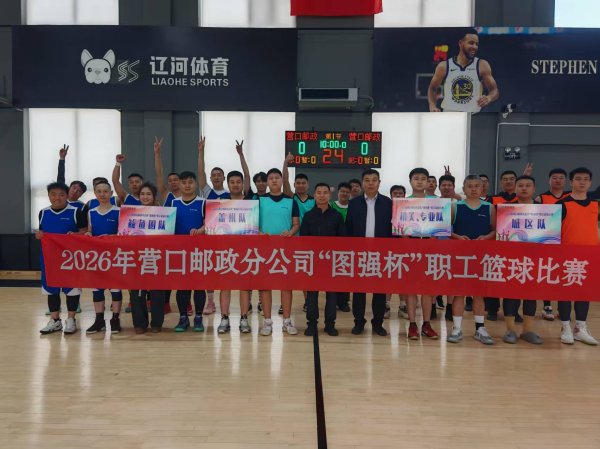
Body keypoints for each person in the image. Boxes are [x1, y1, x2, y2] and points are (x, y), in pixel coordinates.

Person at [447, 175, 495, 345]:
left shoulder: (489, 207)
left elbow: (495, 231)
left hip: (482, 257)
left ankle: (480, 328)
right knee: (459, 293)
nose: (473, 189)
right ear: (464, 188)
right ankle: (456, 328)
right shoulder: (455, 206)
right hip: (460, 256)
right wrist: (457, 237)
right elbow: (445, 230)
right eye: (470, 186)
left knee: (479, 293)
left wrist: (486, 237)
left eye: (477, 186)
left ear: (483, 188)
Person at [346, 169, 391, 336]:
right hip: (359, 253)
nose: (370, 183)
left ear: (379, 182)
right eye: (367, 180)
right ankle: (359, 322)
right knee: (359, 291)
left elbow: (392, 229)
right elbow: (349, 228)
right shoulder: (354, 203)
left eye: (374, 180)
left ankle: (378, 323)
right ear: (362, 183)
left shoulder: (388, 203)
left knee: (379, 291)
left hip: (381, 253)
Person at [37, 182, 87, 335]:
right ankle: (55, 320)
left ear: (66, 196)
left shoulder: (76, 212)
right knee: (51, 289)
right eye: (53, 194)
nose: (57, 198)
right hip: (50, 259)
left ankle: (71, 319)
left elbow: (85, 231)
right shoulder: (43, 212)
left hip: (70, 259)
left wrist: (76, 235)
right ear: (48, 196)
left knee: (72, 289)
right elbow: (41, 232)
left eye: (61, 194)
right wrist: (39, 235)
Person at [557, 167, 598, 345]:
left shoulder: (596, 205)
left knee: (584, 292)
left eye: (585, 179)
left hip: (589, 256)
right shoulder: (562, 205)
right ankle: (565, 327)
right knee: (565, 292)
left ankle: (580, 328)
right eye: (578, 179)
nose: (582, 182)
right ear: (571, 182)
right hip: (566, 255)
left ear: (590, 183)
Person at [217, 141, 254, 335]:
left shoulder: (249, 200)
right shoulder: (221, 202)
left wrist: (241, 155)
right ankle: (224, 318)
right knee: (225, 286)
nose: (236, 184)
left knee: (244, 287)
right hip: (225, 249)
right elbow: (212, 224)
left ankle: (244, 318)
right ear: (228, 184)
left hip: (246, 249)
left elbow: (247, 175)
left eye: (238, 182)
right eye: (232, 182)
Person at [258, 168, 300, 336]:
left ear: (282, 180)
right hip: (264, 249)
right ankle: (267, 322)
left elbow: (296, 224)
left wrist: (291, 232)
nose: (274, 180)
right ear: (267, 182)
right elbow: (252, 223)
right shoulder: (259, 200)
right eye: (271, 178)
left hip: (285, 249)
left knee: (286, 286)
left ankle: (286, 321)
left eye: (277, 177)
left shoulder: (291, 201)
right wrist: (259, 233)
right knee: (265, 286)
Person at [501, 175, 543, 345]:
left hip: (535, 258)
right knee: (511, 294)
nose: (524, 188)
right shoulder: (506, 209)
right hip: (511, 258)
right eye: (520, 185)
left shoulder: (544, 210)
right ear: (515, 188)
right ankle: (510, 330)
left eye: (528, 185)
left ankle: (528, 330)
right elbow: (501, 233)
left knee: (531, 295)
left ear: (534, 189)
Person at [300, 183, 346, 336]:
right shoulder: (308, 216)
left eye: (325, 192)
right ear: (314, 195)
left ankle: (330, 324)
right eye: (318, 192)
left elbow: (342, 240)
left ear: (330, 195)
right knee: (312, 295)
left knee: (332, 295)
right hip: (313, 262)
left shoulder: (337, 216)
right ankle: (311, 324)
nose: (321, 195)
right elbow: (303, 239)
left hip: (331, 262)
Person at [428, 28, 499, 113]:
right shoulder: (444, 66)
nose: (475, 47)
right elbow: (432, 88)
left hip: (472, 116)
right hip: (449, 115)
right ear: (460, 43)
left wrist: (489, 98)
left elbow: (494, 90)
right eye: (471, 43)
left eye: (476, 44)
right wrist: (432, 105)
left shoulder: (482, 65)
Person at [84, 181, 123, 334]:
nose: (102, 194)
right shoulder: (91, 212)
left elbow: (123, 234)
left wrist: (112, 237)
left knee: (115, 289)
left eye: (105, 191)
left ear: (111, 193)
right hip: (97, 258)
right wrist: (88, 234)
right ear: (95, 193)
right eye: (99, 191)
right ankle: (99, 320)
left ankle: (115, 319)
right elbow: (90, 230)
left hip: (115, 257)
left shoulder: (119, 211)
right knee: (97, 290)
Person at [404, 168, 439, 340]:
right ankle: (412, 324)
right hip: (410, 248)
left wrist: (431, 241)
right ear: (410, 181)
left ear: (428, 182)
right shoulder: (403, 202)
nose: (419, 181)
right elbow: (400, 228)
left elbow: (440, 226)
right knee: (411, 289)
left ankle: (426, 324)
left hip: (429, 248)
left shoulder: (436, 202)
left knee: (427, 289)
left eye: (423, 178)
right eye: (416, 178)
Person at [128, 182, 167, 334]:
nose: (145, 197)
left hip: (157, 256)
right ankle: (139, 323)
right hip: (136, 256)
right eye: (142, 194)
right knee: (136, 291)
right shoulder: (131, 213)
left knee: (157, 291)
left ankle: (157, 323)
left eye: (148, 194)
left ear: (154, 196)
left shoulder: (163, 213)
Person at [171, 171, 207, 332]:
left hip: (199, 252)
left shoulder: (203, 202)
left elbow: (210, 223)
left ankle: (198, 317)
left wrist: (200, 230)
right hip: (178, 252)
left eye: (190, 182)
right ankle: (183, 318)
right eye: (183, 182)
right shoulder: (173, 203)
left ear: (196, 184)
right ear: (179, 184)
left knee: (199, 286)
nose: (187, 185)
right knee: (182, 287)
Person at [535, 168, 571, 321]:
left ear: (566, 180)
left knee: (566, 274)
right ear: (549, 180)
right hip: (548, 242)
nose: (558, 180)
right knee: (548, 273)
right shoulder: (541, 198)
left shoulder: (571, 197)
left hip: (567, 241)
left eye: (561, 177)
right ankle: (547, 306)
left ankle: (564, 308)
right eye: (554, 177)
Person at [197, 137, 226, 316]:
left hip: (226, 238)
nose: (216, 177)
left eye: (219, 174)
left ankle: (225, 303)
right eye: (213, 175)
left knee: (224, 268)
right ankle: (210, 302)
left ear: (224, 177)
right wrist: (201, 151)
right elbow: (200, 172)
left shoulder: (230, 193)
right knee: (209, 269)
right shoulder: (208, 192)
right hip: (209, 236)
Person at [386, 185, 408, 320]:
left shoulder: (410, 208)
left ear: (404, 195)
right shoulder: (385, 208)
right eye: (395, 193)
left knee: (403, 278)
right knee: (388, 277)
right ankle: (386, 305)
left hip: (405, 248)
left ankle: (403, 305)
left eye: (401, 193)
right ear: (391, 195)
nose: (398, 195)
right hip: (388, 248)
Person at [331, 182, 352, 313]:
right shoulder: (331, 205)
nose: (344, 194)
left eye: (347, 192)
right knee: (333, 275)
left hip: (348, 246)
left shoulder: (353, 207)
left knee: (345, 275)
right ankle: (333, 302)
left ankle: (344, 302)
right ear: (338, 193)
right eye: (342, 191)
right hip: (333, 246)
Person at [153, 136, 181, 207]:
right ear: (168, 183)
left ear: (181, 181)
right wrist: (157, 153)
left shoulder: (187, 195)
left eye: (175, 180)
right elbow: (159, 173)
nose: (173, 182)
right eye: (170, 181)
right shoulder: (166, 194)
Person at [56, 145, 87, 210]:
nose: (75, 191)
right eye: (74, 188)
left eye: (79, 191)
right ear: (69, 188)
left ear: (81, 195)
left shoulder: (83, 207)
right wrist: (62, 158)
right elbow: (60, 178)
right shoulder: (60, 200)